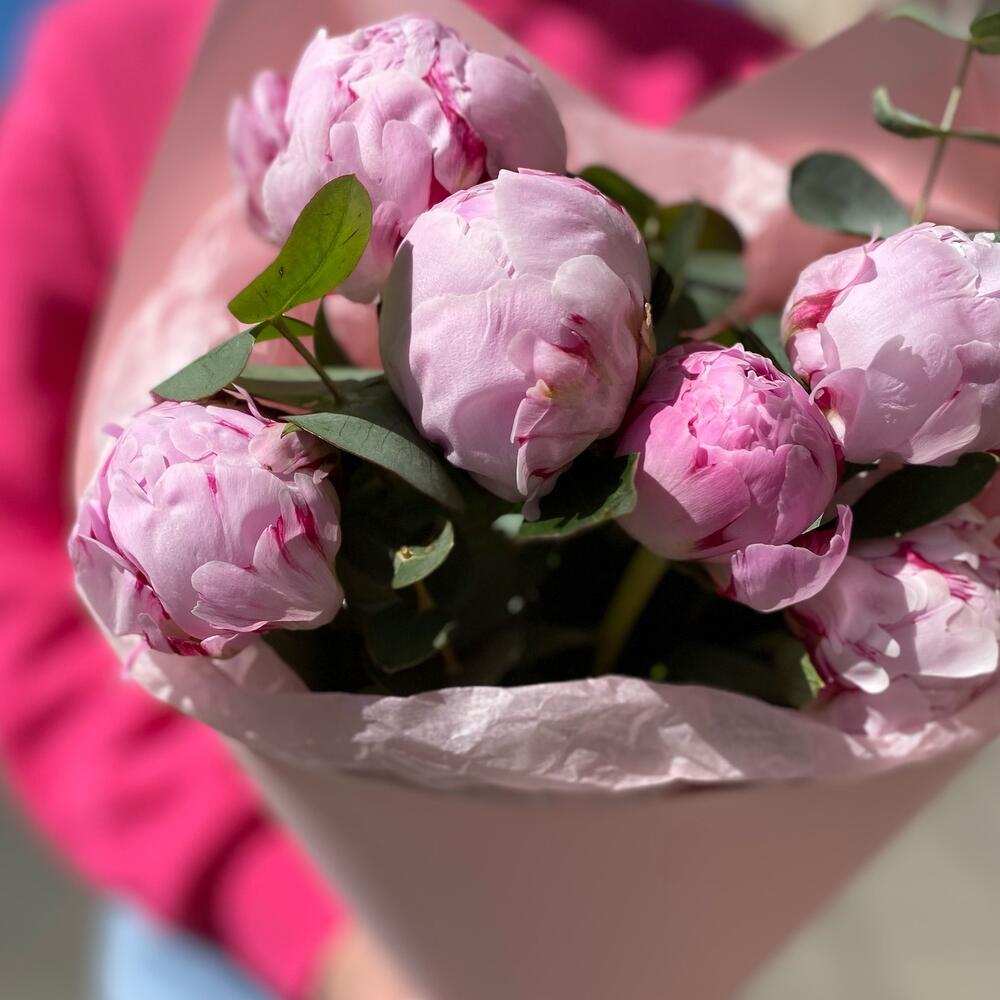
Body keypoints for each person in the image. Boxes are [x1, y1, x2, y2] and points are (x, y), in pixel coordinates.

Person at [0, 1, 785, 997]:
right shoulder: (123, 45)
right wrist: (304, 918)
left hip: (630, 923)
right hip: (235, 942)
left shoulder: (743, 79)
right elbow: (21, 565)